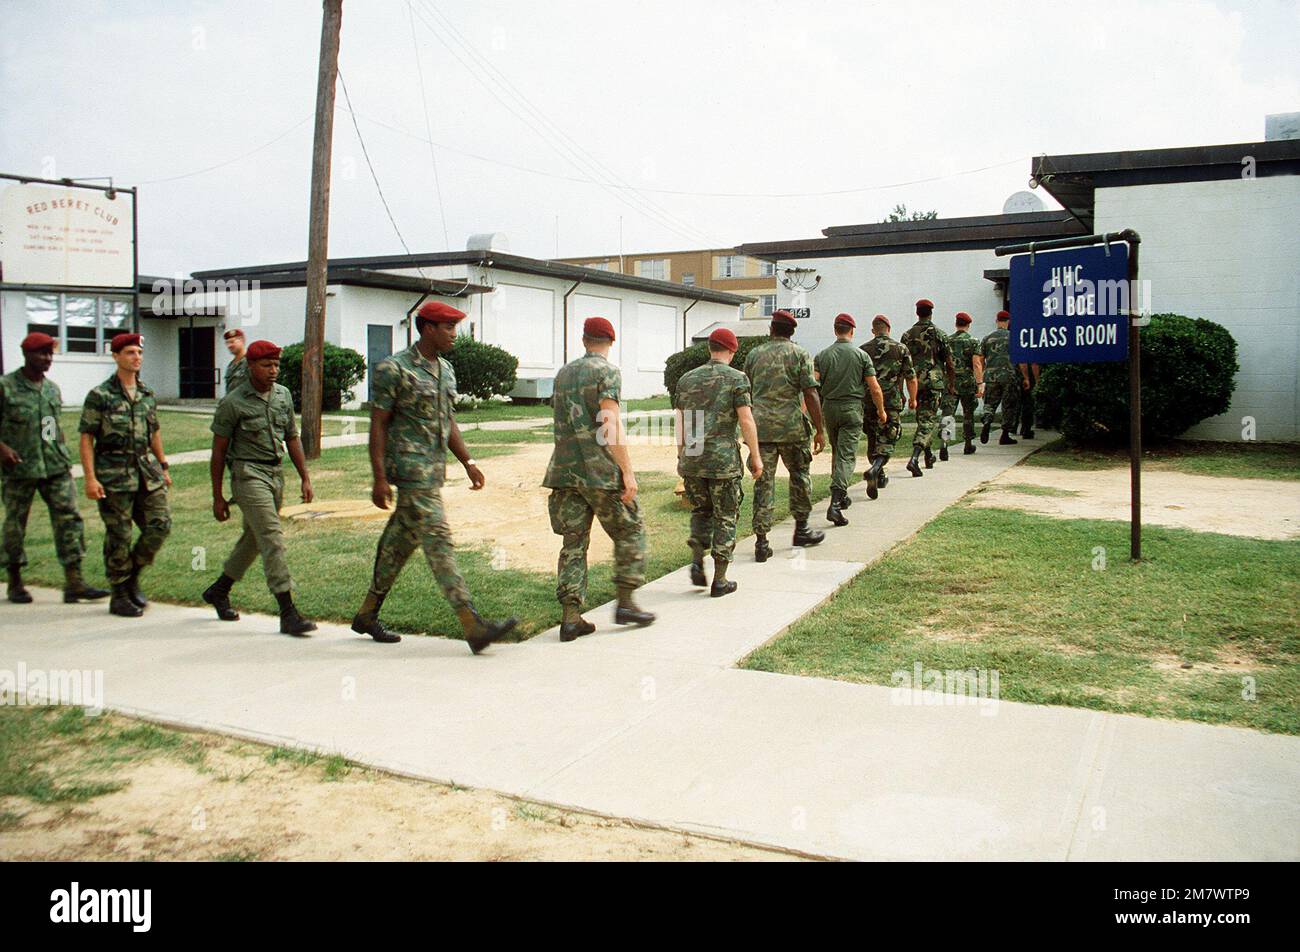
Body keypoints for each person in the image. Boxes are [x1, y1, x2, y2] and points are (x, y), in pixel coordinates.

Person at [349, 301, 518, 652]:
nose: (454, 334)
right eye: (447, 327)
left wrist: (468, 461)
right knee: (439, 542)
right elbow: (378, 424)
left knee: (397, 545)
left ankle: (367, 614)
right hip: (412, 474)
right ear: (427, 328)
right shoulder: (393, 369)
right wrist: (379, 477)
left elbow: (448, 421)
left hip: (433, 471)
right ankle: (473, 625)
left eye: (454, 327)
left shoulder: (446, 370)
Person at [544, 316, 654, 641]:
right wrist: (628, 470)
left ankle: (570, 617)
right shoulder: (607, 372)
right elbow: (610, 422)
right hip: (600, 471)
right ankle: (626, 603)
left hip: (564, 471)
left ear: (583, 339)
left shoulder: (563, 374)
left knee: (574, 543)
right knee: (631, 530)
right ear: (611, 341)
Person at [202, 340, 316, 635]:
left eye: (276, 364)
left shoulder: (283, 396)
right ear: (250, 366)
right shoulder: (233, 403)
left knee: (254, 539)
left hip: (275, 475)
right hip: (247, 475)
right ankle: (288, 611)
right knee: (271, 537)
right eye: (266, 365)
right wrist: (217, 496)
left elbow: (291, 437)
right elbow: (218, 452)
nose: (273, 370)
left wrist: (304, 476)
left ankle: (219, 589)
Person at [1, 333, 108, 605]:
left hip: (54, 467)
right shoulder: (6, 387)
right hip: (19, 469)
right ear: (26, 355)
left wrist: (58, 451)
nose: (48, 359)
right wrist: (2, 449)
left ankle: (74, 582)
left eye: (50, 354)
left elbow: (50, 427)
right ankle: (14, 580)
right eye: (42, 354)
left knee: (69, 519)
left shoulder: (51, 389)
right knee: (15, 525)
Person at [78, 333, 172, 618]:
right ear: (116, 356)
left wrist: (163, 466)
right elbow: (86, 439)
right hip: (113, 472)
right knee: (119, 533)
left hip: (146, 469)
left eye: (139, 353)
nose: (136, 358)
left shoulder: (147, 394)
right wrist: (90, 478)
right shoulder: (100, 395)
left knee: (160, 524)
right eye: (130, 353)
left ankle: (131, 577)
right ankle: (119, 594)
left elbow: (154, 431)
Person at [673, 327, 762, 597]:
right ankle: (720, 579)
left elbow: (681, 419)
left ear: (710, 348)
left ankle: (698, 559)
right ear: (732, 351)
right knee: (725, 515)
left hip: (693, 456)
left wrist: (681, 453)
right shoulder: (737, 379)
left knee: (701, 511)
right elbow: (745, 419)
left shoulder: (687, 379)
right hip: (722, 459)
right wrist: (755, 455)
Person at [742, 309, 826, 560]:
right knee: (800, 477)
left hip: (761, 430)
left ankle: (761, 541)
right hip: (791, 429)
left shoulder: (754, 355)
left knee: (763, 483)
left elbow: (744, 392)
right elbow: (810, 393)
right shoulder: (799, 354)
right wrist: (819, 429)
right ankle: (801, 530)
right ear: (791, 332)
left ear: (771, 329)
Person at [813, 314, 886, 526]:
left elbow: (812, 384)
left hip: (830, 408)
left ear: (835, 330)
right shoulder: (861, 356)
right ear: (852, 331)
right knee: (846, 455)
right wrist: (881, 410)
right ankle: (835, 503)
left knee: (837, 451)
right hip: (852, 408)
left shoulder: (822, 355)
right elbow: (874, 387)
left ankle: (841, 495)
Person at [861, 315, 917, 497]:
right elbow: (911, 377)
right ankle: (876, 468)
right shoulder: (900, 349)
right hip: (891, 401)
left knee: (872, 437)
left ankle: (878, 473)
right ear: (888, 328)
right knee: (889, 437)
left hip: (868, 400)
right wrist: (912, 398)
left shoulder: (863, 350)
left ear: (873, 330)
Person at [899, 299, 955, 475]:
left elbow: (901, 366)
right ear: (931, 313)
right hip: (934, 382)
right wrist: (951, 383)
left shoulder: (907, 336)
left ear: (917, 313)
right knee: (928, 421)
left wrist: (901, 390)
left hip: (915, 382)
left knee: (922, 419)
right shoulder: (939, 334)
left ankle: (928, 455)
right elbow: (950, 363)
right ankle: (915, 457)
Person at [975, 310, 1021, 445]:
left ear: (997, 321)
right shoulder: (1014, 337)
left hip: (991, 376)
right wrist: (1025, 377)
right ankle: (1005, 434)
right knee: (1009, 405)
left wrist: (982, 376)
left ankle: (987, 420)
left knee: (990, 403)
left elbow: (981, 359)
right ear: (1008, 321)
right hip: (1009, 376)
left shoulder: (987, 338)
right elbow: (1021, 360)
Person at [941, 312, 981, 457]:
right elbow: (976, 364)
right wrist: (980, 382)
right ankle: (968, 444)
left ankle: (944, 443)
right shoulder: (973, 341)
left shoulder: (947, 340)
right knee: (968, 414)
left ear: (956, 324)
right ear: (968, 325)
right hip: (967, 383)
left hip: (950, 382)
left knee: (948, 413)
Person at [1018, 361, 1041, 439]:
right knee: (1028, 403)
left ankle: (1014, 427)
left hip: (1015, 374)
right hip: (1028, 375)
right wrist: (1037, 380)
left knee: (1017, 402)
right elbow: (1034, 363)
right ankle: (1026, 429)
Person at [223, 329, 249, 395]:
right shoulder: (231, 365)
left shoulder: (250, 362)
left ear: (242, 341)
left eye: (232, 342)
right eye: (227, 343)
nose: (229, 346)